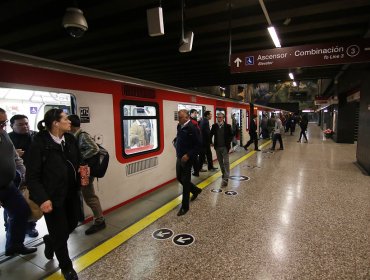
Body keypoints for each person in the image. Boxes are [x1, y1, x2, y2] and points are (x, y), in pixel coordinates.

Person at [27, 109, 81, 280]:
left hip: (71, 194)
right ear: (56, 123)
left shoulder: (70, 139)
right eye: (65, 119)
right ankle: (66, 267)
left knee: (71, 224)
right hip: (53, 197)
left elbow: (78, 160)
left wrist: (83, 170)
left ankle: (50, 240)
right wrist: (42, 199)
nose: (69, 121)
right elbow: (32, 176)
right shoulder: (39, 144)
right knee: (60, 233)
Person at [0, 108, 37, 256]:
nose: (2, 126)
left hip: (8, 184)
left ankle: (15, 245)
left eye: (4, 122)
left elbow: (15, 157)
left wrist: (24, 173)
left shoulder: (3, 135)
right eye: (0, 123)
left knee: (22, 210)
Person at [68, 115, 106, 235]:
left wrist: (79, 158)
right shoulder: (75, 136)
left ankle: (100, 221)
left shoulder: (82, 135)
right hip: (81, 170)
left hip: (85, 171)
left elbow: (94, 149)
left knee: (89, 196)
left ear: (71, 126)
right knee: (84, 194)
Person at [8, 114, 39, 238]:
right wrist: (14, 155)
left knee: (31, 202)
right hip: (14, 178)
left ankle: (30, 227)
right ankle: (10, 227)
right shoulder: (7, 139)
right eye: (20, 124)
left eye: (26, 123)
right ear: (12, 126)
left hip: (32, 176)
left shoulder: (35, 136)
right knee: (13, 206)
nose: (25, 126)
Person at [175, 109, 202, 216]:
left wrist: (188, 155)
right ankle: (195, 190)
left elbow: (198, 145)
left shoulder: (193, 128)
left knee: (186, 181)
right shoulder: (179, 126)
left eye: (180, 117)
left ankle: (185, 207)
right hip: (179, 157)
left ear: (186, 118)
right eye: (178, 117)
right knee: (179, 178)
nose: (179, 119)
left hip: (187, 158)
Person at [210, 113, 233, 187]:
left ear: (223, 118)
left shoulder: (227, 126)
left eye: (220, 117)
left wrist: (228, 143)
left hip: (225, 147)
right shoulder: (214, 126)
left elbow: (231, 135)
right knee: (220, 162)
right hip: (217, 147)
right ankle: (224, 174)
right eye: (218, 117)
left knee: (226, 162)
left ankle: (226, 178)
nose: (219, 118)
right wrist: (211, 142)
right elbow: (210, 135)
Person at [189, 109, 201, 177]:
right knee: (195, 158)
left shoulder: (193, 122)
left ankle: (196, 172)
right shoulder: (193, 122)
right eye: (195, 113)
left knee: (194, 159)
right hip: (194, 143)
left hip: (193, 144)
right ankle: (196, 171)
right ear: (190, 114)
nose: (196, 114)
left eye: (196, 113)